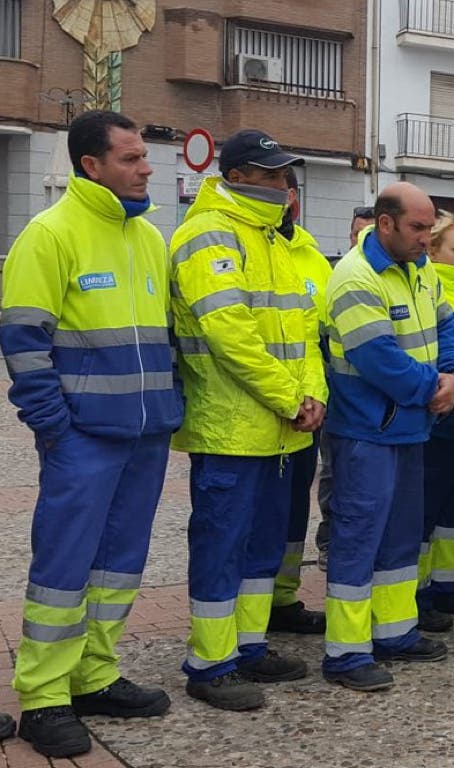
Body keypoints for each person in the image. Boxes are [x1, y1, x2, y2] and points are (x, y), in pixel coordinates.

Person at [0, 110, 181, 757]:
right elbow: (23, 341)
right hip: (83, 440)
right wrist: (56, 430)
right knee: (64, 570)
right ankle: (46, 698)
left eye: (144, 155)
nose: (146, 167)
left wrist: (170, 409)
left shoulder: (151, 239)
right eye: (131, 158)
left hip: (145, 436)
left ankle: (94, 676)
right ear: (92, 165)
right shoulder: (49, 235)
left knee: (119, 567)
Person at [171, 129, 326, 711]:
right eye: (272, 176)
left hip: (281, 427)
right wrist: (293, 397)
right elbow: (227, 332)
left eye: (286, 176)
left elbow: (305, 331)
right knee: (222, 543)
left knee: (264, 544)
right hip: (231, 427)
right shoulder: (207, 234)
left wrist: (310, 395)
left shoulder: (277, 242)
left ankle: (250, 645)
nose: (284, 187)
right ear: (236, 177)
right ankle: (209, 663)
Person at [322, 182, 454, 691]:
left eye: (430, 228)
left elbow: (447, 327)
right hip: (367, 431)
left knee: (401, 539)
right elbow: (377, 359)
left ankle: (395, 631)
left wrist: (452, 374)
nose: (427, 238)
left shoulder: (420, 270)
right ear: (386, 224)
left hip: (407, 427)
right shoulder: (355, 278)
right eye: (418, 228)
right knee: (358, 540)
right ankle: (345, 652)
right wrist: (436, 388)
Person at [267, 167, 331, 635]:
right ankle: (246, 615)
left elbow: (319, 337)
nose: (286, 198)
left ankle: (283, 598)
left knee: (293, 510)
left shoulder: (311, 256)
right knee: (254, 521)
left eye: (290, 190)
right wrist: (289, 397)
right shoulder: (246, 248)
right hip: (259, 412)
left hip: (306, 414)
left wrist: (313, 398)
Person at [416, 211, 454, 631]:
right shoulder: (431, 293)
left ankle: (448, 584)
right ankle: (417, 593)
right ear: (433, 250)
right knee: (425, 515)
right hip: (437, 425)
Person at [316, 204, 377, 569]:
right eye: (358, 234)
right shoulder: (339, 277)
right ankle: (328, 540)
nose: (363, 241)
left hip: (374, 404)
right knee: (333, 472)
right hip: (337, 393)